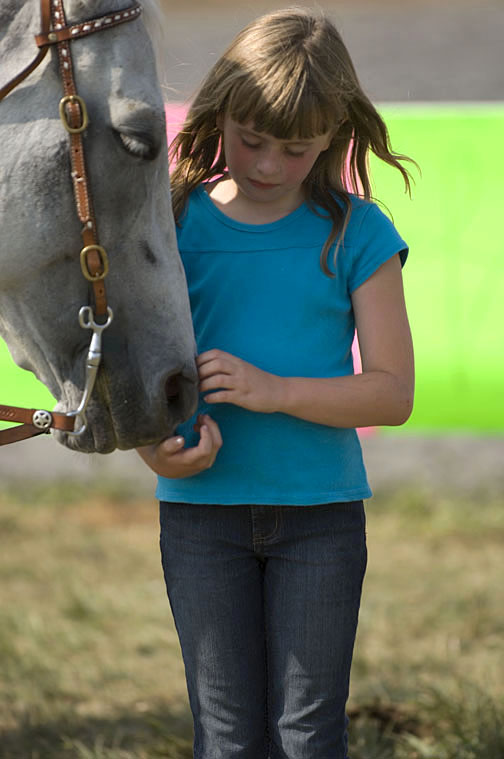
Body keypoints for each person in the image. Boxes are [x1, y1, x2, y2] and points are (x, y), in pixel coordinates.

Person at [138, 7, 415, 758]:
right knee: (225, 739)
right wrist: (155, 455)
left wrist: (275, 390)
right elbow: (142, 382)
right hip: (198, 521)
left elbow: (393, 393)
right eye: (251, 139)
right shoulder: (170, 222)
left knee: (308, 735)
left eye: (294, 149)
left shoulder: (359, 233)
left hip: (321, 522)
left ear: (333, 135)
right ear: (219, 111)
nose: (266, 165)